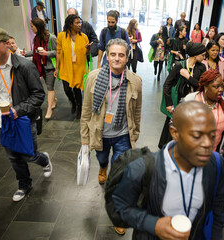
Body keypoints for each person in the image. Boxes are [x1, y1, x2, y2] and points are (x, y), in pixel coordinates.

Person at [113, 101, 224, 239]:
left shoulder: (217, 165)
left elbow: (218, 211)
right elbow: (121, 208)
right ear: (175, 133)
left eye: (212, 135)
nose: (208, 144)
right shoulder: (144, 168)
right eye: (197, 136)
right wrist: (153, 224)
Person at [80, 39, 141, 235]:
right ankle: (103, 167)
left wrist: (135, 133)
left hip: (123, 134)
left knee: (119, 175)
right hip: (100, 134)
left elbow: (137, 110)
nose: (116, 58)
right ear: (107, 55)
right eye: (113, 54)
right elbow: (86, 109)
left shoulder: (135, 81)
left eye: (121, 55)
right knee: (102, 158)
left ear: (127, 57)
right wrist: (84, 137)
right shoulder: (93, 77)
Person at [0, 26, 51, 202]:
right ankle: (24, 185)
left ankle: (43, 159)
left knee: (28, 154)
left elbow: (39, 95)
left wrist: (17, 110)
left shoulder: (24, 66)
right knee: (13, 157)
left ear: (7, 44)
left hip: (23, 118)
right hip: (3, 120)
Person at [158, 42, 206, 148]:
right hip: (177, 104)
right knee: (170, 130)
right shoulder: (179, 65)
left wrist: (188, 77)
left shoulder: (202, 68)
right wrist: (169, 104)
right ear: (195, 54)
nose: (204, 57)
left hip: (192, 106)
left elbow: (201, 86)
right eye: (202, 55)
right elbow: (167, 85)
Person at [183, 69, 224, 150]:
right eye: (216, 86)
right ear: (205, 87)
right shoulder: (190, 101)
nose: (221, 89)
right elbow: (174, 124)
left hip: (214, 154)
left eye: (222, 85)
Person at [54, 14, 92, 119]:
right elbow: (58, 52)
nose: (79, 25)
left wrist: (88, 48)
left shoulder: (84, 37)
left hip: (78, 67)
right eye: (77, 23)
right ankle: (73, 102)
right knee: (67, 89)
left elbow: (86, 53)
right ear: (70, 24)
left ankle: (79, 107)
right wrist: (57, 68)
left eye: (80, 22)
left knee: (77, 90)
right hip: (66, 67)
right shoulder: (61, 36)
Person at [22, 18, 57, 119]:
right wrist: (26, 54)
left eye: (32, 26)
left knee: (49, 87)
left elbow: (57, 52)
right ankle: (54, 100)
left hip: (50, 66)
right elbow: (36, 52)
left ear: (38, 27)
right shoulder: (37, 38)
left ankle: (49, 109)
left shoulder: (51, 37)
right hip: (41, 66)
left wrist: (47, 53)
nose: (31, 28)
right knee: (48, 85)